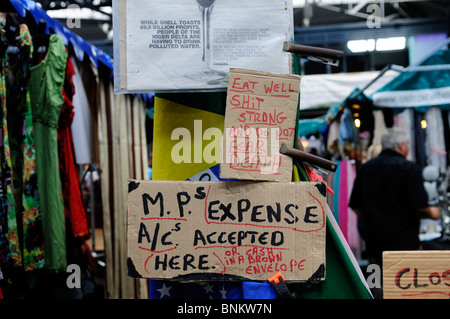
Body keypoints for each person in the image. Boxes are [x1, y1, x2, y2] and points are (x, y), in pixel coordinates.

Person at [349, 128, 441, 267]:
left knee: (377, 285)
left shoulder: (366, 168)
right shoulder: (409, 168)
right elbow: (420, 208)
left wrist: (371, 220)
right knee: (405, 284)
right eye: (407, 145)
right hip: (404, 244)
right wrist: (434, 213)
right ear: (401, 146)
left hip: (375, 243)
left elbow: (355, 205)